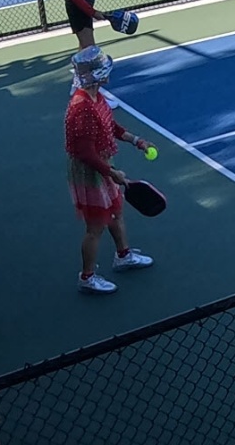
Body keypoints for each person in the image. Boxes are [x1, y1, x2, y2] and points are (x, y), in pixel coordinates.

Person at [63, 46, 154, 295]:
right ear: (96, 75)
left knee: (115, 212)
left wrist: (136, 141)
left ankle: (123, 255)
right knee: (95, 227)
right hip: (90, 171)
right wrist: (111, 173)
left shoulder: (96, 97)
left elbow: (109, 124)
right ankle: (87, 277)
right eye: (105, 69)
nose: (108, 72)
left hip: (103, 165)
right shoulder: (82, 108)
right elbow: (84, 153)